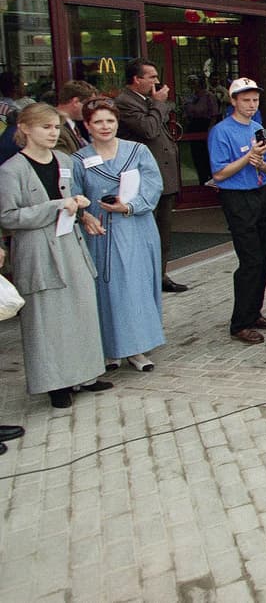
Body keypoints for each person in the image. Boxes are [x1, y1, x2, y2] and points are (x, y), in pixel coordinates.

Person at [0, 103, 111, 409]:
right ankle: (55, 383)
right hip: (37, 249)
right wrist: (55, 208)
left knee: (81, 307)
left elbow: (71, 198)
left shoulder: (63, 160)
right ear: (25, 129)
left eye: (56, 127)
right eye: (45, 127)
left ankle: (85, 373)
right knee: (46, 316)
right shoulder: (11, 170)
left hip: (69, 241)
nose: (53, 133)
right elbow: (8, 217)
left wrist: (84, 214)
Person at [73, 97, 165, 373]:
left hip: (135, 227)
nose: (105, 126)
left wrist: (131, 206)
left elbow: (153, 185)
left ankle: (137, 348)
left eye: (110, 121)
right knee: (105, 288)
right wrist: (84, 213)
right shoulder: (79, 159)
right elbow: (74, 193)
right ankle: (110, 349)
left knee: (134, 287)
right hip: (100, 233)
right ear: (87, 126)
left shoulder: (137, 151)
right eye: (98, 122)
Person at [207, 77, 266, 345]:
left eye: (255, 100)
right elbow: (220, 172)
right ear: (233, 101)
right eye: (245, 100)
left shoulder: (258, 127)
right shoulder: (221, 131)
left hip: (260, 193)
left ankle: (254, 310)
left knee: (264, 256)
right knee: (250, 260)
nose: (251, 105)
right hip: (237, 197)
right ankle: (240, 322)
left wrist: (261, 164)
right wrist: (248, 158)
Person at [114, 58, 186, 292]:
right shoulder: (125, 102)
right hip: (144, 179)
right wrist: (157, 104)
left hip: (164, 176)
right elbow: (148, 129)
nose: (157, 81)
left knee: (163, 230)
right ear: (137, 79)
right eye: (151, 77)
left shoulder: (147, 101)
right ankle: (145, 277)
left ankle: (161, 274)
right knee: (146, 231)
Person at [53, 80, 94, 154]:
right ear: (75, 102)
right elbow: (64, 161)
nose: (91, 110)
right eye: (89, 105)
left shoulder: (71, 124)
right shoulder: (55, 127)